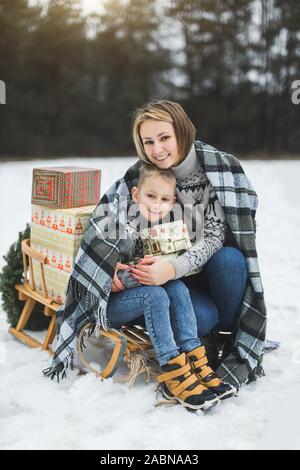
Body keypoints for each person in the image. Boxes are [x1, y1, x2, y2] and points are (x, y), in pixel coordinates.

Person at [44, 100, 266, 397]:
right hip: (164, 283)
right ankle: (202, 340)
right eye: (148, 141)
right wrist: (107, 265)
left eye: (164, 138)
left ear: (182, 133)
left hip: (202, 270)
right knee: (200, 317)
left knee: (231, 259)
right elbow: (109, 222)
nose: (157, 149)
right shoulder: (141, 178)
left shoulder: (217, 171)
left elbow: (214, 236)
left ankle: (226, 335)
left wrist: (173, 268)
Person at [106, 163, 233, 410]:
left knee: (176, 287)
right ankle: (173, 369)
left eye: (164, 199)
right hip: (112, 303)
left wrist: (169, 268)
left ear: (172, 201)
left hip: (140, 299)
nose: (156, 204)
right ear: (135, 195)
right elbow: (108, 268)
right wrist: (123, 269)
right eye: (150, 196)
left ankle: (195, 359)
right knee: (155, 294)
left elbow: (177, 268)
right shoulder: (123, 224)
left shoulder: (164, 229)